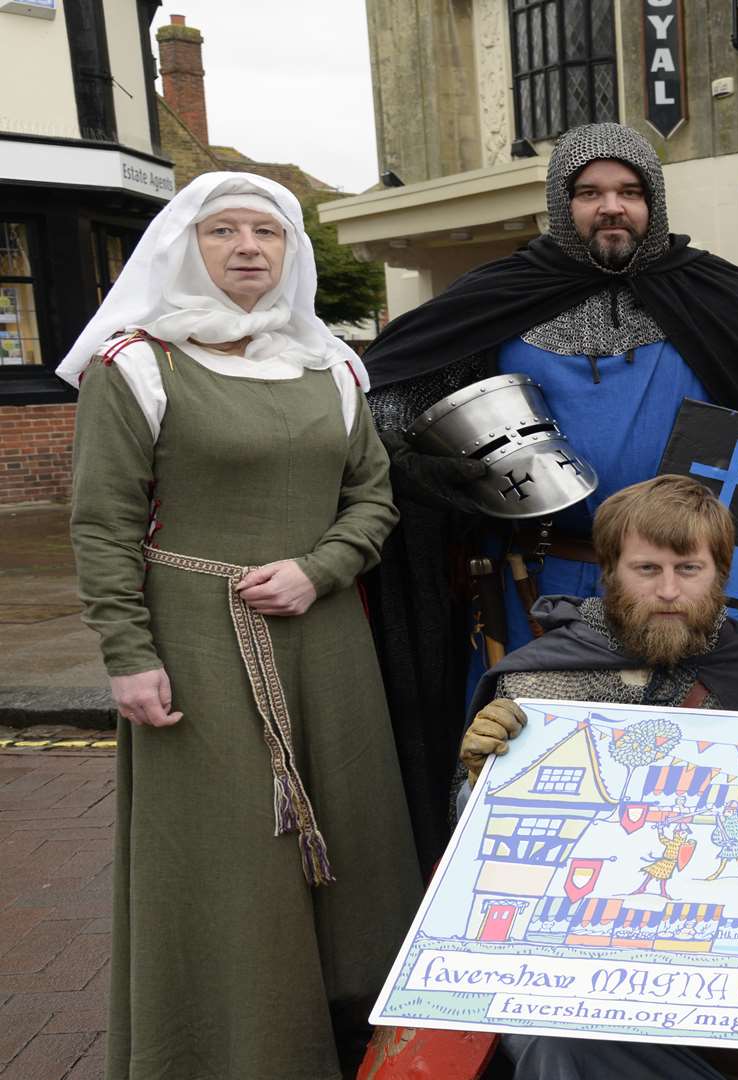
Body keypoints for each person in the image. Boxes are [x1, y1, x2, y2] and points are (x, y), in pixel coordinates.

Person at [355, 122, 738, 867]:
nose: (611, 207)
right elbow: (384, 406)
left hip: (688, 578)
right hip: (539, 578)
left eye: (627, 191)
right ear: (563, 206)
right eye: (589, 193)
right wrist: (438, 475)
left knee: (705, 765)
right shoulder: (501, 297)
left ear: (653, 201)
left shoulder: (717, 296)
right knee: (538, 763)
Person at [60, 172, 421, 1079]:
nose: (248, 246)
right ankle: (238, 1048)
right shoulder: (137, 364)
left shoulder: (333, 366)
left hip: (326, 639)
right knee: (231, 853)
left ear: (291, 252)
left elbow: (371, 500)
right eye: (223, 230)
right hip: (196, 643)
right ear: (187, 245)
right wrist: (128, 655)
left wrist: (320, 569)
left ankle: (349, 1038)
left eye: (268, 230)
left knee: (351, 841)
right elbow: (101, 522)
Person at [457, 475, 738, 1079]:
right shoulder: (540, 682)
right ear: (609, 571)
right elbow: (491, 859)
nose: (666, 591)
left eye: (688, 569)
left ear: (721, 574)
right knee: (563, 1046)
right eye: (645, 569)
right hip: (575, 958)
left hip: (733, 960)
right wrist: (478, 787)